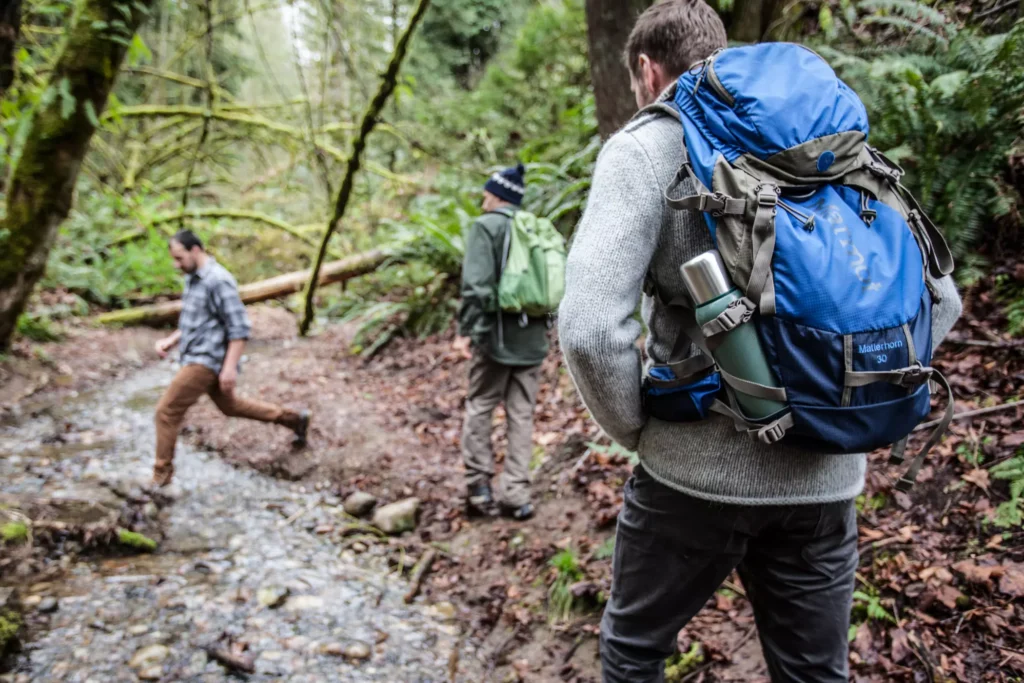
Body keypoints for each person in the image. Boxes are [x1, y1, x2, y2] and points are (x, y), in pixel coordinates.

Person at [557, 2, 963, 681]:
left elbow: (591, 329)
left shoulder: (646, 146)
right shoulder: (826, 138)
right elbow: (940, 299)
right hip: (829, 477)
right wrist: (844, 397)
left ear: (646, 70)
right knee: (813, 672)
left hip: (693, 476)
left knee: (634, 652)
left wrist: (637, 431)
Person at [150, 230, 310, 488]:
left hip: (206, 360)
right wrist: (171, 340)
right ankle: (295, 418)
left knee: (166, 412)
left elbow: (239, 328)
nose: (176, 265)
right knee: (230, 406)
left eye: (179, 258)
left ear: (195, 250)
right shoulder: (193, 279)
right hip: (195, 354)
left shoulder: (218, 280)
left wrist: (228, 369)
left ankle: (160, 479)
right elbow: (198, 320)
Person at [458, 163, 549, 521]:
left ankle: (479, 490)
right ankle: (516, 495)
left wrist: (467, 333)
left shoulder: (486, 227)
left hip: (495, 340)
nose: (482, 199)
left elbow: (476, 287)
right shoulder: (533, 227)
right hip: (533, 340)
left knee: (481, 405)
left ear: (497, 195)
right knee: (521, 414)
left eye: (486, 192)